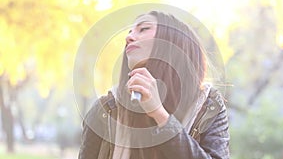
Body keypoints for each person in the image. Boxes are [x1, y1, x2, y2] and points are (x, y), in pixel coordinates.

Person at [78, 11, 230, 159]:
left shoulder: (207, 105)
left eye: (143, 29)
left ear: (173, 41)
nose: (129, 37)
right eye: (130, 32)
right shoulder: (106, 109)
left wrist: (159, 114)